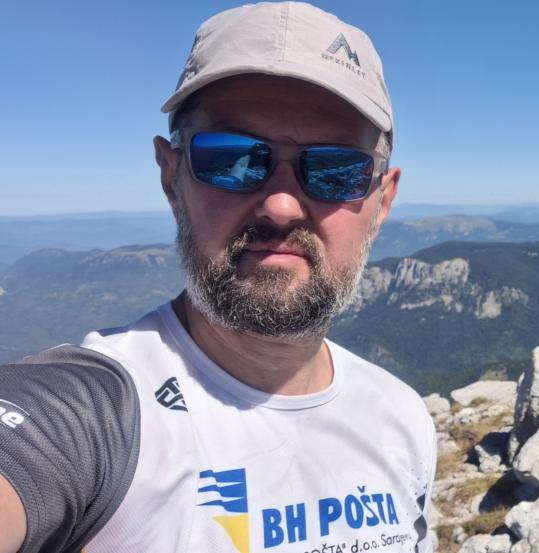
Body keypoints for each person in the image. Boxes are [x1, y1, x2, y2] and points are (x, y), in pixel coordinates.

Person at [0, 3, 436, 552]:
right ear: (171, 176)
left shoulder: (402, 420)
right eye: (232, 158)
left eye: (335, 169)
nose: (281, 205)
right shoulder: (93, 415)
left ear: (382, 200)